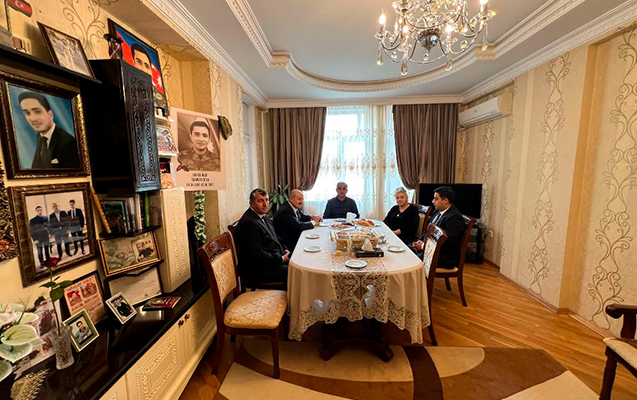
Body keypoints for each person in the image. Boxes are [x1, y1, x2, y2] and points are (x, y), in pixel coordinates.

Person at [235, 188, 289, 287]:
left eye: (267, 200)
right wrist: (281, 258)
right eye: (260, 201)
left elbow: (275, 236)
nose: (265, 204)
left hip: (271, 260)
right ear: (251, 203)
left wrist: (284, 249)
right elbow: (256, 254)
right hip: (258, 269)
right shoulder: (249, 223)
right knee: (294, 271)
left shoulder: (263, 215)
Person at [18, 91, 79, 169]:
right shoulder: (40, 136)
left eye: (37, 112)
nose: (33, 118)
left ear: (50, 115)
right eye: (27, 113)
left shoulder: (68, 143)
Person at [410, 186, 466, 269]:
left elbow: (448, 244)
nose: (432, 201)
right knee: (406, 250)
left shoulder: (455, 218)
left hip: (443, 257)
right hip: (430, 250)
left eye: (436, 199)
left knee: (410, 260)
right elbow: (427, 232)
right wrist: (419, 242)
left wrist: (423, 246)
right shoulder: (437, 212)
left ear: (445, 201)